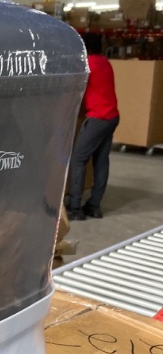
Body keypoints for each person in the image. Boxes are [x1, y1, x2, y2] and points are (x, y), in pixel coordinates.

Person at [67, 32, 120, 220]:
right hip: (112, 116)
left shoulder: (87, 64)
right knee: (101, 161)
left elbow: (73, 87)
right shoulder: (105, 62)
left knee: (78, 159)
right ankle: (94, 206)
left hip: (97, 118)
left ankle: (75, 208)